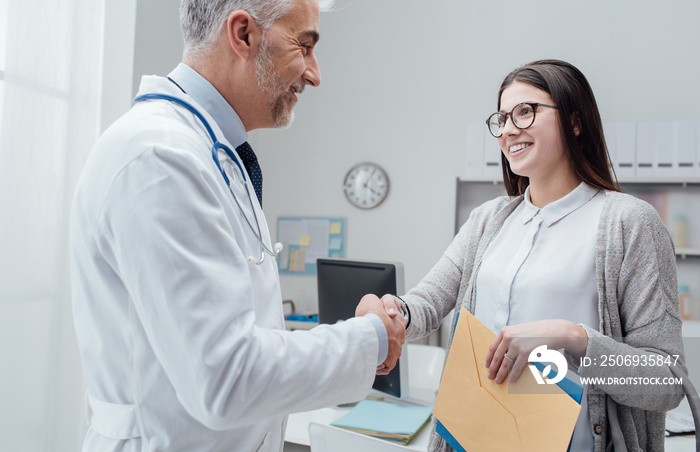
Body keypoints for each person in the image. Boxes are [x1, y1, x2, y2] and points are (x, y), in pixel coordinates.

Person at [69, 1, 405, 451]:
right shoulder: (161, 158)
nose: (314, 73)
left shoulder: (217, 154)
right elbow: (227, 377)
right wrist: (369, 338)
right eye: (303, 46)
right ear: (243, 34)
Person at [389, 59, 685, 452]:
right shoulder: (489, 220)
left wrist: (573, 338)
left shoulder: (629, 223)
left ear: (576, 122)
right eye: (502, 118)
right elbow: (426, 303)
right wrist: (391, 313)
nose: (509, 129)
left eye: (526, 112)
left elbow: (665, 381)